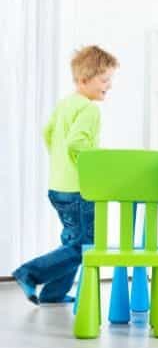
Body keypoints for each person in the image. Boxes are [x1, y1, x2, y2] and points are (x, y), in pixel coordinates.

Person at [12, 45, 118, 305]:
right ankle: (29, 272)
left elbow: (48, 133)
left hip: (58, 186)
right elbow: (76, 144)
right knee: (86, 246)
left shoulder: (65, 104)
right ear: (84, 80)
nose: (109, 85)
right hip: (79, 188)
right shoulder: (90, 109)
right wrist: (94, 167)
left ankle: (53, 293)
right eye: (104, 80)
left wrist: (61, 162)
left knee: (72, 240)